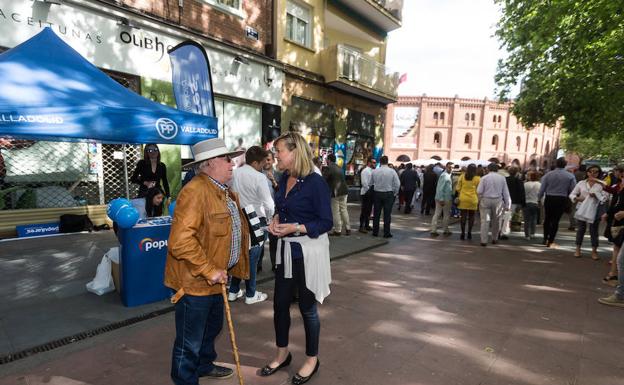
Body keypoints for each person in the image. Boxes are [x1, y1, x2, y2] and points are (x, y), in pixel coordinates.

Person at [165, 138, 250, 385]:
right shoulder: (194, 191)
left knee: (211, 329)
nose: (232, 163)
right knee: (188, 341)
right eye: (227, 159)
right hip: (195, 282)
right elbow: (180, 242)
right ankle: (185, 379)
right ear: (210, 163)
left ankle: (202, 365)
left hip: (216, 279)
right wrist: (208, 269)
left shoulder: (222, 190)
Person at [260, 132, 333, 385]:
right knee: (279, 304)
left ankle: (312, 359)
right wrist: (276, 220)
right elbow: (282, 208)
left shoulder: (316, 182)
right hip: (285, 252)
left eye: (278, 150)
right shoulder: (284, 176)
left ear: (294, 152)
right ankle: (282, 354)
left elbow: (326, 222)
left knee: (307, 309)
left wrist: (297, 228)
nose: (275, 155)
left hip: (308, 254)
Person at [229, 146, 274, 304]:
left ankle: (233, 291)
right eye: (262, 162)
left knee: (239, 255)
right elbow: (269, 204)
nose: (263, 165)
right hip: (256, 219)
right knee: (253, 258)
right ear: (255, 162)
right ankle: (250, 294)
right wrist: (269, 219)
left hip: (238, 217)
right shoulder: (259, 177)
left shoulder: (234, 173)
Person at [538, 157, 577, 248]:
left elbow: (542, 189)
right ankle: (551, 240)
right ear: (565, 165)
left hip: (550, 197)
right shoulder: (570, 176)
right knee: (556, 220)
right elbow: (573, 190)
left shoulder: (548, 175)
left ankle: (545, 238)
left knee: (547, 219)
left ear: (556, 164)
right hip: (561, 199)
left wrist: (539, 198)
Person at [570, 165, 606, 260]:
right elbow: (572, 194)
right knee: (581, 229)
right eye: (591, 171)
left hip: (595, 209)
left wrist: (597, 196)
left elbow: (606, 197)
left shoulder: (602, 184)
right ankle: (578, 249)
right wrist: (577, 198)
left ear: (599, 173)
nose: (593, 174)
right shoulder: (581, 183)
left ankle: (594, 251)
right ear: (587, 172)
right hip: (581, 208)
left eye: (596, 172)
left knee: (593, 230)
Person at [477, 163, 511, 246]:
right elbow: (506, 192)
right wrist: (508, 204)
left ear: (488, 169)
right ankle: (494, 238)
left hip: (486, 200)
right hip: (498, 201)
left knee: (485, 221)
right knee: (496, 221)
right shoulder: (502, 178)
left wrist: (480, 199)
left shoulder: (484, 178)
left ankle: (483, 240)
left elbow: (479, 191)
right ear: (497, 169)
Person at [371, 155, 400, 238]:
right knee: (387, 214)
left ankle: (375, 231)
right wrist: (395, 193)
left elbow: (371, 182)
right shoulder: (392, 171)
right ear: (387, 161)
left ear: (380, 162)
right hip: (388, 193)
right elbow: (397, 184)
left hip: (377, 193)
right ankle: (386, 232)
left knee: (376, 213)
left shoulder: (375, 171)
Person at [323, 153, 350, 236]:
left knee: (335, 211)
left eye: (327, 159)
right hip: (344, 191)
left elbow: (323, 179)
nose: (326, 161)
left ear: (329, 160)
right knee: (344, 209)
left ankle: (338, 230)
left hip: (336, 192)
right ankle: (348, 228)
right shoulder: (339, 167)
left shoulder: (329, 168)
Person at [456, 164, 480, 240]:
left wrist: (461, 192)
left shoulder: (462, 176)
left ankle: (462, 233)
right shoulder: (478, 178)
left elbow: (457, 188)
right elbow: (479, 190)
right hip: (473, 199)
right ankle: (469, 232)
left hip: (463, 198)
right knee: (472, 216)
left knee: (463, 216)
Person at [500, 167, 526, 239]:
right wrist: (521, 203)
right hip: (514, 201)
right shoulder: (519, 181)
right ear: (516, 173)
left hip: (503, 200)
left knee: (501, 216)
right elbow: (521, 192)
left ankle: (499, 230)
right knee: (508, 218)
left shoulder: (504, 179)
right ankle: (504, 232)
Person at [431, 162, 454, 236]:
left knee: (440, 214)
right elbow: (440, 188)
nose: (451, 169)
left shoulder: (447, 175)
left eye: (452, 167)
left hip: (444, 197)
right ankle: (439, 230)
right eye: (449, 167)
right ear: (446, 167)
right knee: (442, 214)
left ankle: (440, 229)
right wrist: (441, 198)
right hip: (444, 198)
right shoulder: (444, 176)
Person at [358, 157, 376, 233]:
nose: (374, 164)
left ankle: (367, 225)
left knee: (369, 210)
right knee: (364, 210)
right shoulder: (365, 171)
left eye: (375, 162)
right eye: (373, 162)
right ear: (369, 162)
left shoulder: (373, 171)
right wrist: (369, 190)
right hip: (366, 193)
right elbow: (364, 183)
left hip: (371, 192)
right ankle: (361, 226)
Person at [523, 171, 541, 240]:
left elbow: (523, 194)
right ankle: (532, 233)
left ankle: (527, 235)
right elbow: (541, 195)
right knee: (534, 219)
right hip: (535, 203)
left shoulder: (525, 184)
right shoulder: (539, 184)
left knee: (526, 220)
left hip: (527, 203)